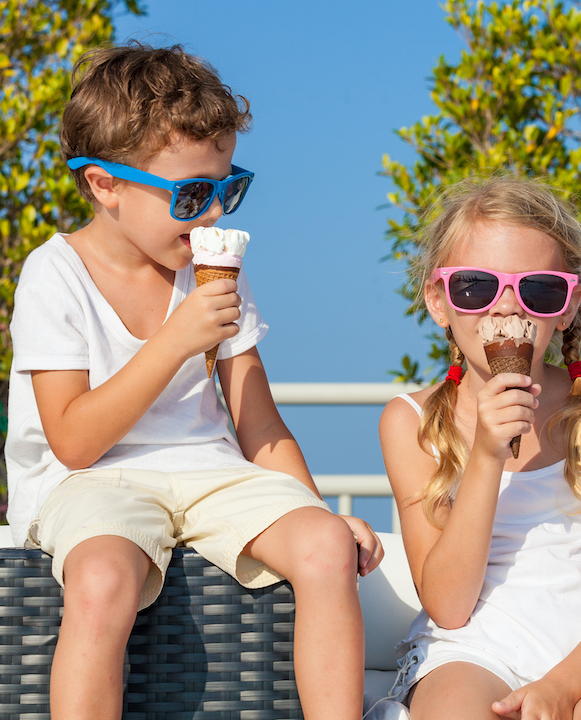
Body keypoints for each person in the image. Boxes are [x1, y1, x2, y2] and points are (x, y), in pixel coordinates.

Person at [4, 43, 383, 720]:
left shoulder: (213, 278)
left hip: (208, 472)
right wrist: (174, 341)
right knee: (100, 579)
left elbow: (259, 427)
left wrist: (315, 512)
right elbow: (73, 441)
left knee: (326, 545)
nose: (212, 215)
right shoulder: (53, 274)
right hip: (91, 480)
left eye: (225, 188)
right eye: (190, 194)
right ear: (104, 184)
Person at [378, 175, 581, 720]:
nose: (507, 309)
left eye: (538, 290)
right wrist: (486, 456)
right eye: (475, 287)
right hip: (472, 649)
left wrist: (562, 686)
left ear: (568, 305)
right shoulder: (410, 422)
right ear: (439, 301)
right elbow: (449, 605)